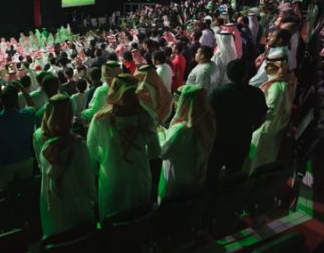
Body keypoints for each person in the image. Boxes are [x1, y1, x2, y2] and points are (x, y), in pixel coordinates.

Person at [87, 74, 160, 219]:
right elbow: (154, 150)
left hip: (112, 177)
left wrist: (107, 157)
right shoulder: (145, 116)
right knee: (139, 220)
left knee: (114, 221)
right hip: (138, 176)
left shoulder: (101, 119)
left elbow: (91, 147)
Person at [33, 94, 96, 237]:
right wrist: (93, 199)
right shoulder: (77, 143)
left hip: (52, 203)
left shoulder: (38, 137)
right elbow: (87, 178)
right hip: (77, 200)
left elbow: (41, 166)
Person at [207, 60, 267, 182]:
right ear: (246, 74)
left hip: (219, 140)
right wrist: (250, 129)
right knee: (234, 172)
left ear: (228, 74)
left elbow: (208, 117)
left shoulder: (218, 93)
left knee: (212, 172)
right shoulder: (256, 93)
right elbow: (262, 117)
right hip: (242, 139)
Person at [158, 85, 215, 202]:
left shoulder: (181, 130)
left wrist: (160, 134)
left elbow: (163, 152)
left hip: (176, 181)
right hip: (194, 179)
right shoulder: (207, 124)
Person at [248, 51, 297, 173]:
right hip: (277, 123)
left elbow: (270, 108)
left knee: (256, 154)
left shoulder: (276, 86)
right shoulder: (286, 79)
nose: (265, 68)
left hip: (267, 126)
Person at [0, 85, 36, 190]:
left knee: (7, 193)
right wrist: (22, 87)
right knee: (27, 191)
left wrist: (1, 147)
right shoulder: (26, 115)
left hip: (5, 162)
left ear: (1, 101)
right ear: (16, 100)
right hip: (25, 159)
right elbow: (32, 105)